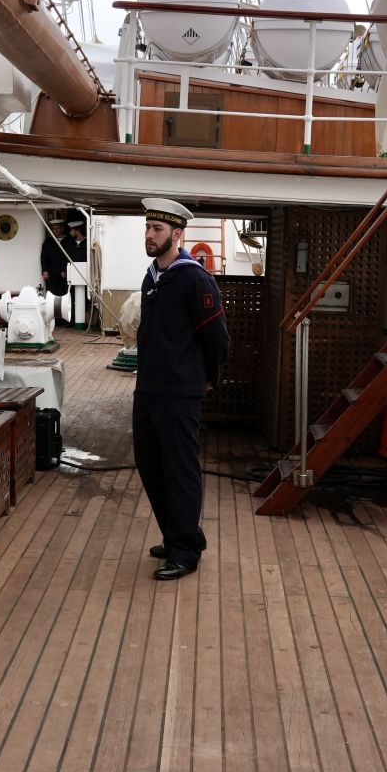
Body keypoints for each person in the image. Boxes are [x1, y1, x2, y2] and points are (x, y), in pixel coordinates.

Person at [132, 198, 229, 580]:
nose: (150, 235)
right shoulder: (152, 276)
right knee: (150, 464)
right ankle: (177, 536)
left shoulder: (194, 278)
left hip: (180, 392)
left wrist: (208, 377)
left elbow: (217, 339)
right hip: (149, 389)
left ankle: (185, 551)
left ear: (177, 234)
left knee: (179, 470)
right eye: (147, 228)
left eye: (157, 229)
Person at [39, 217, 70, 327]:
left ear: (62, 228)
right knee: (51, 295)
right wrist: (44, 270)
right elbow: (43, 257)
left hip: (63, 274)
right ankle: (53, 319)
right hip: (51, 273)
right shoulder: (48, 241)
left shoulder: (68, 240)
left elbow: (68, 257)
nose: (56, 230)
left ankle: (64, 319)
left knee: (64, 295)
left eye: (58, 228)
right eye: (54, 228)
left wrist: (64, 269)